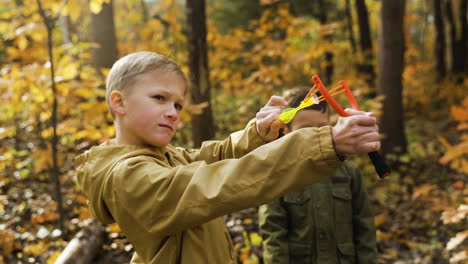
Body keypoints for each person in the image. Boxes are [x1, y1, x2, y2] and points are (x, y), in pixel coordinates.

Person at [74, 51, 381, 264]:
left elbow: (216, 155)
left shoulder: (165, 157)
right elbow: (219, 182)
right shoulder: (128, 176)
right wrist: (328, 142)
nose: (172, 112)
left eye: (179, 105)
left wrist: (258, 135)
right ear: (119, 102)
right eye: (159, 98)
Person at [259, 87, 377, 264]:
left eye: (322, 127)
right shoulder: (278, 175)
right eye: (306, 129)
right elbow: (273, 234)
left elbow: (364, 226)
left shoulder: (349, 172)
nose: (316, 134)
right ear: (288, 132)